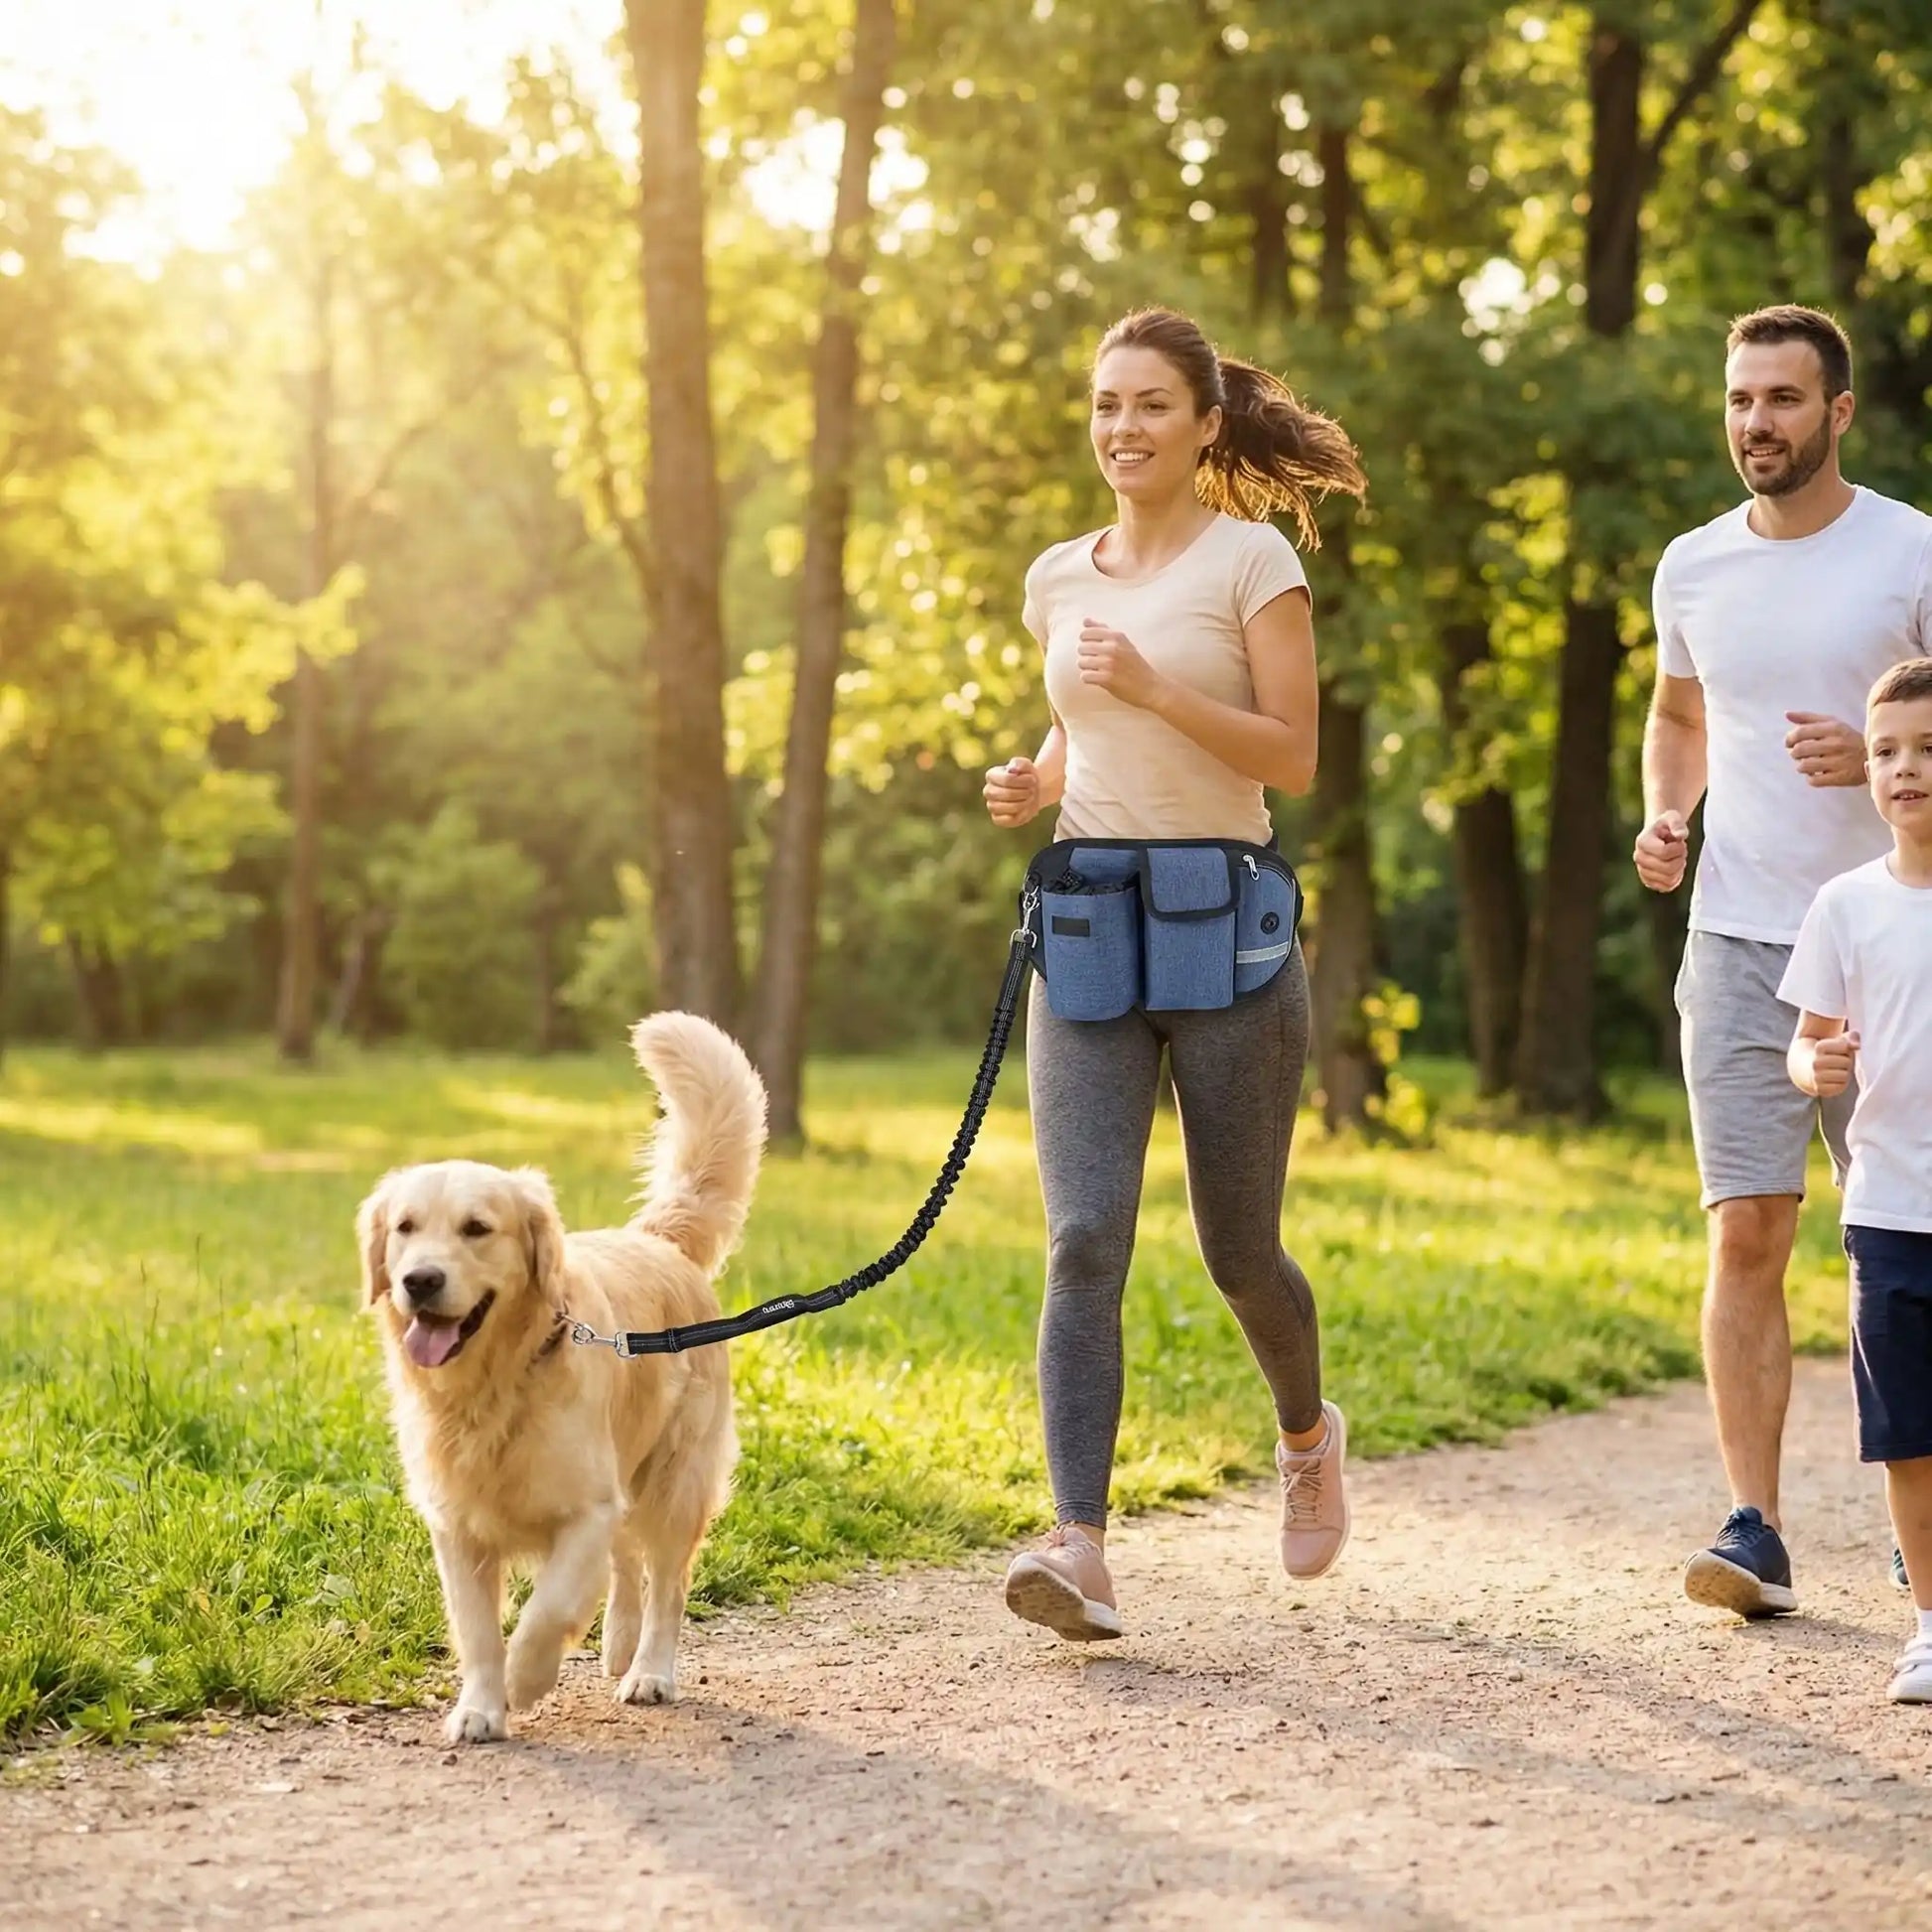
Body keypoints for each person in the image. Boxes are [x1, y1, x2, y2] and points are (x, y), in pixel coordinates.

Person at [981, 306, 1367, 1640]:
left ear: (1205, 424)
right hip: (1089, 923)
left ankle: (1306, 1432)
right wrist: (1039, 776)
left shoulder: (1251, 562)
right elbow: (1075, 719)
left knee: (1236, 1248)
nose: (1121, 428)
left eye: (1148, 404)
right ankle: (1077, 1542)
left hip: (1229, 934)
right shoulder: (1055, 575)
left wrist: (1151, 691)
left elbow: (1290, 757)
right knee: (1082, 1239)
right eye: (1102, 405)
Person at [1633, 305, 1932, 1616]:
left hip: (1894, 936)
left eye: (1784, 399)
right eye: (1741, 397)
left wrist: (1869, 773)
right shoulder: (1691, 566)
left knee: (1905, 1243)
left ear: (1837, 412)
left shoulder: (1909, 551)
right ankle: (1752, 1526)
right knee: (1746, 1227)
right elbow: (1678, 710)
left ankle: (1912, 1520)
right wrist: (1664, 807)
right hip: (1742, 936)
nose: (1757, 421)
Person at [1780, 657, 1932, 1699]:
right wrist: (1814, 1064)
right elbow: (1804, 1042)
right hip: (1886, 1209)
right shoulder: (1842, 903)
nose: (1902, 769)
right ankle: (1928, 1620)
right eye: (1884, 751)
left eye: (1925, 749)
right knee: (1906, 1438)